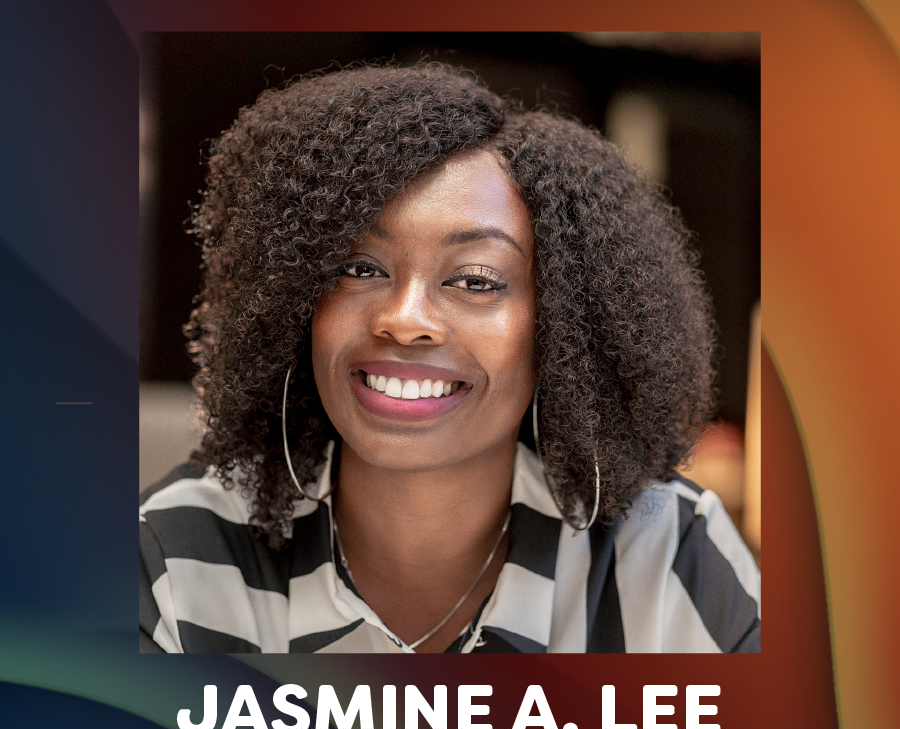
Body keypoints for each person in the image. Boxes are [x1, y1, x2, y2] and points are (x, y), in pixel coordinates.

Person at [140, 63, 760, 654]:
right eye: (361, 268)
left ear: (566, 325)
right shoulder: (173, 557)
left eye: (477, 280)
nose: (405, 319)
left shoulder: (669, 554)